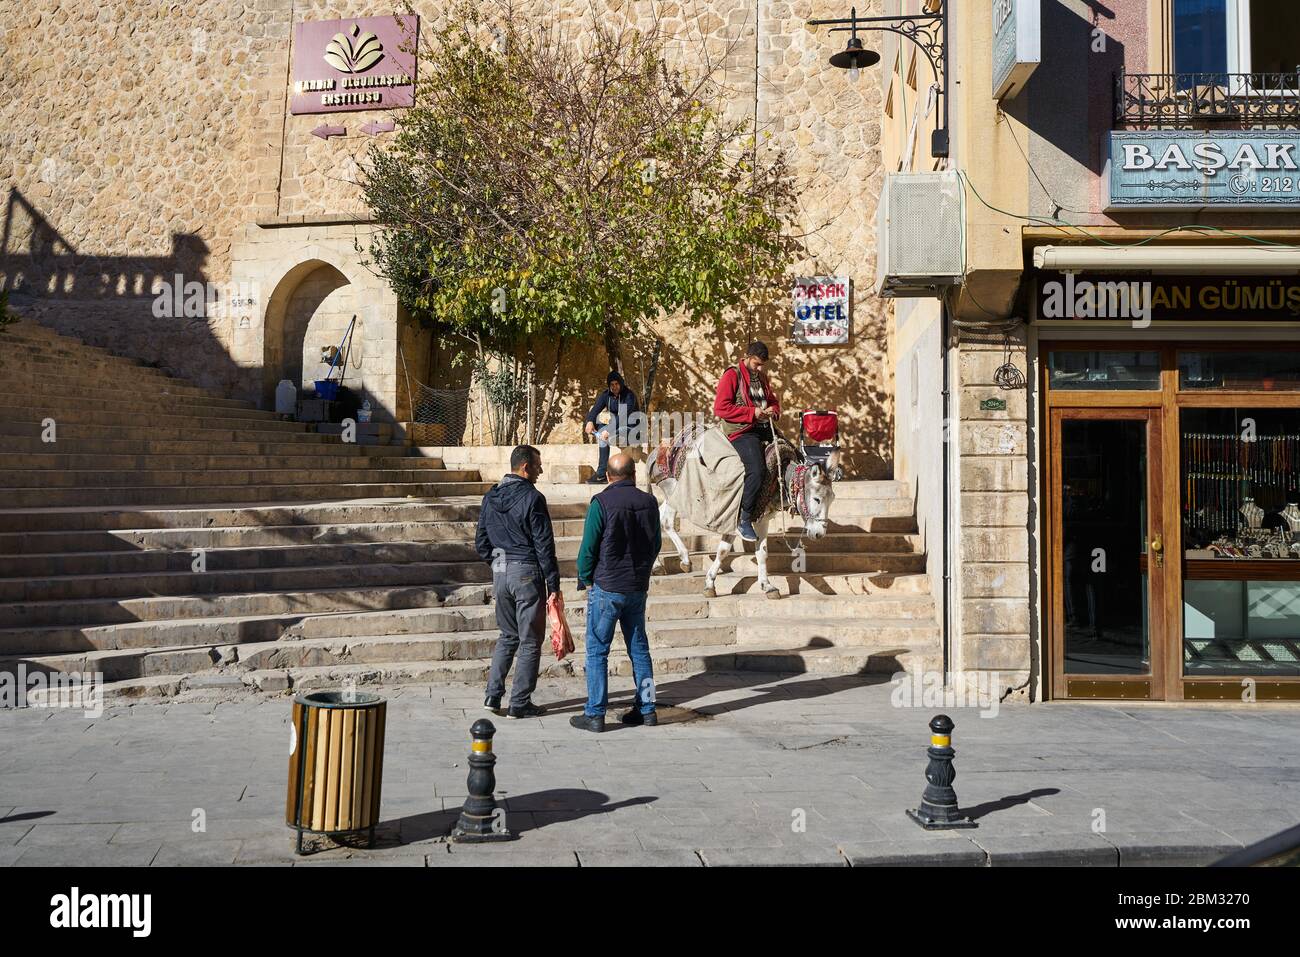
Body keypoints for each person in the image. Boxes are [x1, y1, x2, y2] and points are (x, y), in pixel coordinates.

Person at [570, 452, 660, 733]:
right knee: (639, 648)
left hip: (607, 586)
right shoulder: (649, 502)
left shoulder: (602, 502)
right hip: (636, 587)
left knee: (597, 650)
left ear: (608, 476)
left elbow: (588, 547)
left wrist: (585, 577)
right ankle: (648, 709)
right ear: (634, 475)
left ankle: (595, 713)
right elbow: (655, 543)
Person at [474, 444, 561, 719]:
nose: (541, 470)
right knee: (530, 640)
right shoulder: (534, 498)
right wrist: (554, 585)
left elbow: (481, 543)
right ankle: (520, 702)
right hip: (526, 572)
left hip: (500, 574)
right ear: (525, 467)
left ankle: (492, 695)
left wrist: (499, 566)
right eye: (537, 465)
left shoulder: (490, 497)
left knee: (507, 635)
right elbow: (544, 545)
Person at [712, 341, 782, 542]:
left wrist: (773, 411)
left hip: (762, 428)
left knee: (792, 454)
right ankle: (744, 518)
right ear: (747, 356)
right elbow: (721, 408)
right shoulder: (731, 375)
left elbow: (773, 401)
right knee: (757, 470)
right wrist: (753, 412)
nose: (759, 368)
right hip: (741, 431)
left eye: (762, 365)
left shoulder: (761, 378)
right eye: (756, 364)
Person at [583, 370, 640, 484]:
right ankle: (601, 474)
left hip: (632, 429)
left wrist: (608, 430)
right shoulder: (606, 395)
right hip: (617, 427)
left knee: (610, 430)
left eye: (616, 384)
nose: (614, 387)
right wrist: (589, 421)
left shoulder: (629, 396)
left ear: (621, 384)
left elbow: (623, 417)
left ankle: (609, 474)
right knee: (601, 427)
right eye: (612, 385)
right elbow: (595, 410)